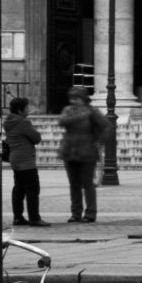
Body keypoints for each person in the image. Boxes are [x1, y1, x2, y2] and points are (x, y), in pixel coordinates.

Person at [59, 84, 105, 223]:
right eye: (72, 98)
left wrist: (98, 141)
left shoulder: (93, 112)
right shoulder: (68, 110)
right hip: (70, 151)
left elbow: (107, 127)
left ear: (84, 99)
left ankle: (90, 213)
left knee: (87, 183)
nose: (73, 101)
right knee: (74, 184)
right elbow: (62, 121)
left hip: (87, 152)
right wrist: (80, 115)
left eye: (77, 98)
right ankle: (76, 213)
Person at [5, 96, 42, 228]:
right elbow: (36, 138)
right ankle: (34, 218)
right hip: (26, 160)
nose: (28, 109)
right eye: (26, 107)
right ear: (20, 110)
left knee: (19, 189)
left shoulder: (9, 121)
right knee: (33, 190)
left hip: (15, 158)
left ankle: (18, 217)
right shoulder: (23, 122)